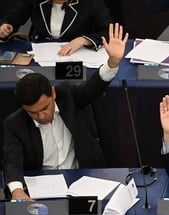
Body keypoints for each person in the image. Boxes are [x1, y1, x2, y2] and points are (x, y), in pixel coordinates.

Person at [2, 23, 129, 201]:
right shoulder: (14, 124)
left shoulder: (67, 96)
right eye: (32, 113)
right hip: (44, 189)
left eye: (44, 108)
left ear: (52, 94)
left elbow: (92, 88)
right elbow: (11, 161)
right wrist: (16, 190)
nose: (40, 116)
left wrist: (112, 62)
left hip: (84, 177)